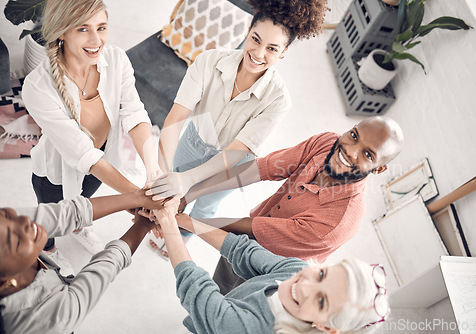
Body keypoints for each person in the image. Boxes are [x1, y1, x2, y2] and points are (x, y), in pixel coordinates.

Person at [148, 0, 329, 259]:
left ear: (284, 52)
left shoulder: (278, 100)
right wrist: (161, 178)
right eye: (255, 39)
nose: (259, 53)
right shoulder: (208, 61)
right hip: (193, 142)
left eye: (272, 48)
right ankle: (166, 226)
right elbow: (176, 117)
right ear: (247, 31)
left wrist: (189, 181)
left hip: (233, 164)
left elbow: (237, 150)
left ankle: (180, 239)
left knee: (206, 210)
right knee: (174, 190)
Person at [150, 116, 404, 293]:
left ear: (380, 168)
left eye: (368, 154)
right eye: (354, 135)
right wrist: (189, 192)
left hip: (272, 275)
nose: (350, 150)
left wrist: (179, 221)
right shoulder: (327, 143)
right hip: (245, 238)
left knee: (234, 315)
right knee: (220, 284)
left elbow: (255, 229)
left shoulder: (337, 223)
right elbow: (261, 169)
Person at [22, 0, 160, 267]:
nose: (97, 40)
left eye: (101, 27)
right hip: (55, 175)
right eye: (83, 29)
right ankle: (47, 250)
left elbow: (135, 114)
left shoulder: (116, 59)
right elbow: (82, 154)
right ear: (62, 31)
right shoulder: (37, 87)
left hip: (100, 164)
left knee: (84, 201)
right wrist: (137, 198)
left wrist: (152, 174)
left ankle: (79, 227)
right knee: (50, 222)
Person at [155, 202, 389, 334]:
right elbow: (241, 250)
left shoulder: (252, 329)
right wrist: (182, 220)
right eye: (321, 274)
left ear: (327, 328)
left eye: (321, 301)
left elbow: (196, 291)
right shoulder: (296, 271)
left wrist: (167, 223)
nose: (305, 285)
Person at [0, 190, 164, 334]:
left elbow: (67, 213)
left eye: (5, 215)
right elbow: (104, 267)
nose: (24, 221)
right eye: (12, 239)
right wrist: (143, 224)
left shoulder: (9, 239)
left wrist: (137, 198)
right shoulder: (49, 318)